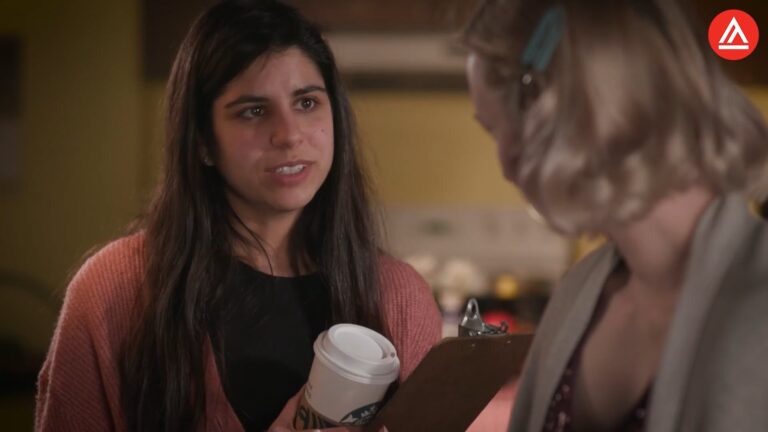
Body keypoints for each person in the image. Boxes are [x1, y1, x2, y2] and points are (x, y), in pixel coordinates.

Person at [35, 1, 442, 430]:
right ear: (203, 143)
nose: (288, 135)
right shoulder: (114, 291)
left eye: (306, 103)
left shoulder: (400, 300)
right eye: (253, 111)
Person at [463, 0, 768, 431]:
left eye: (495, 128)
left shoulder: (758, 305)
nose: (506, 165)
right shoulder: (578, 294)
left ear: (556, 112)